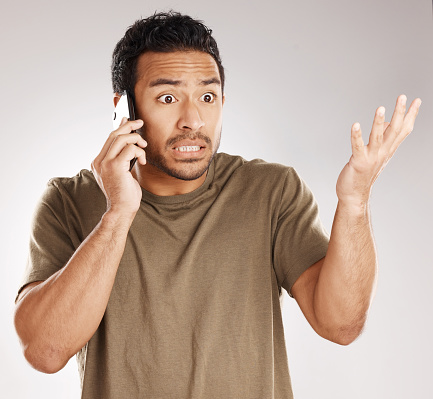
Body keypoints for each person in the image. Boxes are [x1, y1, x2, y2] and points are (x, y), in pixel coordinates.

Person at [14, 11, 421, 399]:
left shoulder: (270, 191)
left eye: (207, 96)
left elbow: (341, 325)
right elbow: (45, 352)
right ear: (123, 109)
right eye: (168, 97)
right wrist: (117, 214)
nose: (193, 119)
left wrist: (355, 202)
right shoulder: (67, 201)